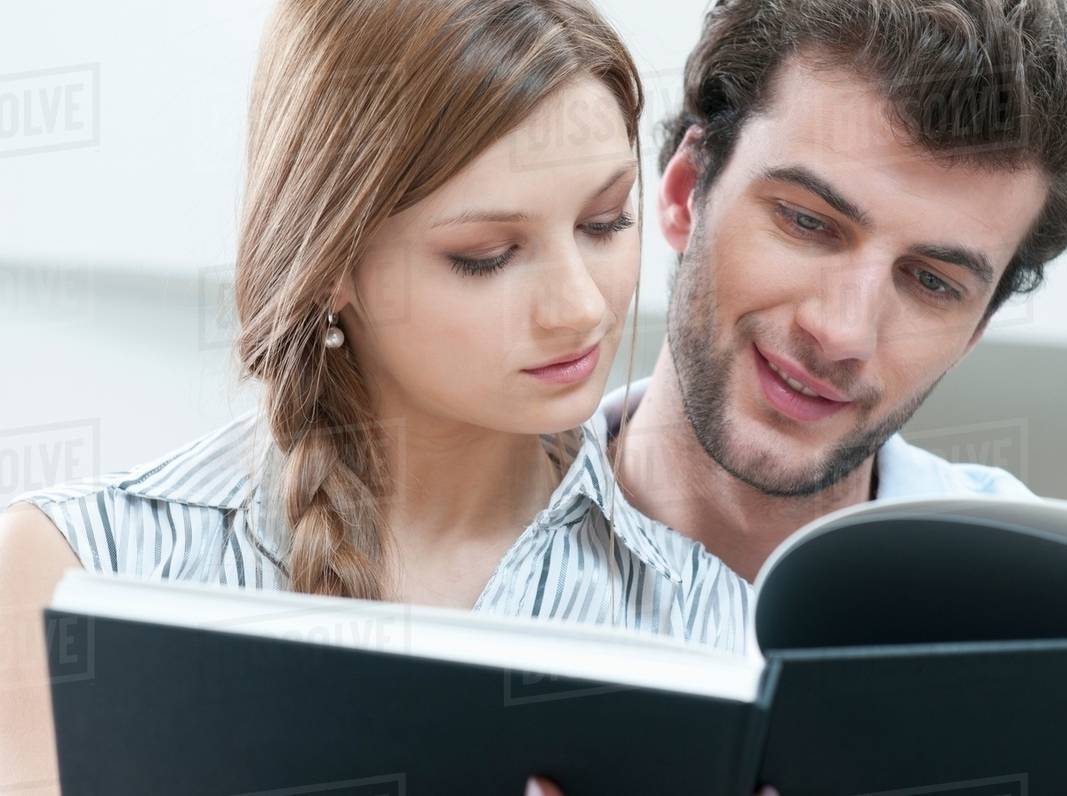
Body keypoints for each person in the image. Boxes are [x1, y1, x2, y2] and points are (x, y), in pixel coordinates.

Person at [0, 1, 751, 791]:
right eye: (487, 256)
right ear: (330, 260)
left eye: (605, 222)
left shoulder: (710, 632)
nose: (582, 307)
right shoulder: (75, 574)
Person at [531, 0, 1067, 792]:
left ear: (974, 331)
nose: (843, 331)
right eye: (808, 223)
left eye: (930, 282)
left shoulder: (1060, 631)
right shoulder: (436, 560)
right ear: (683, 193)